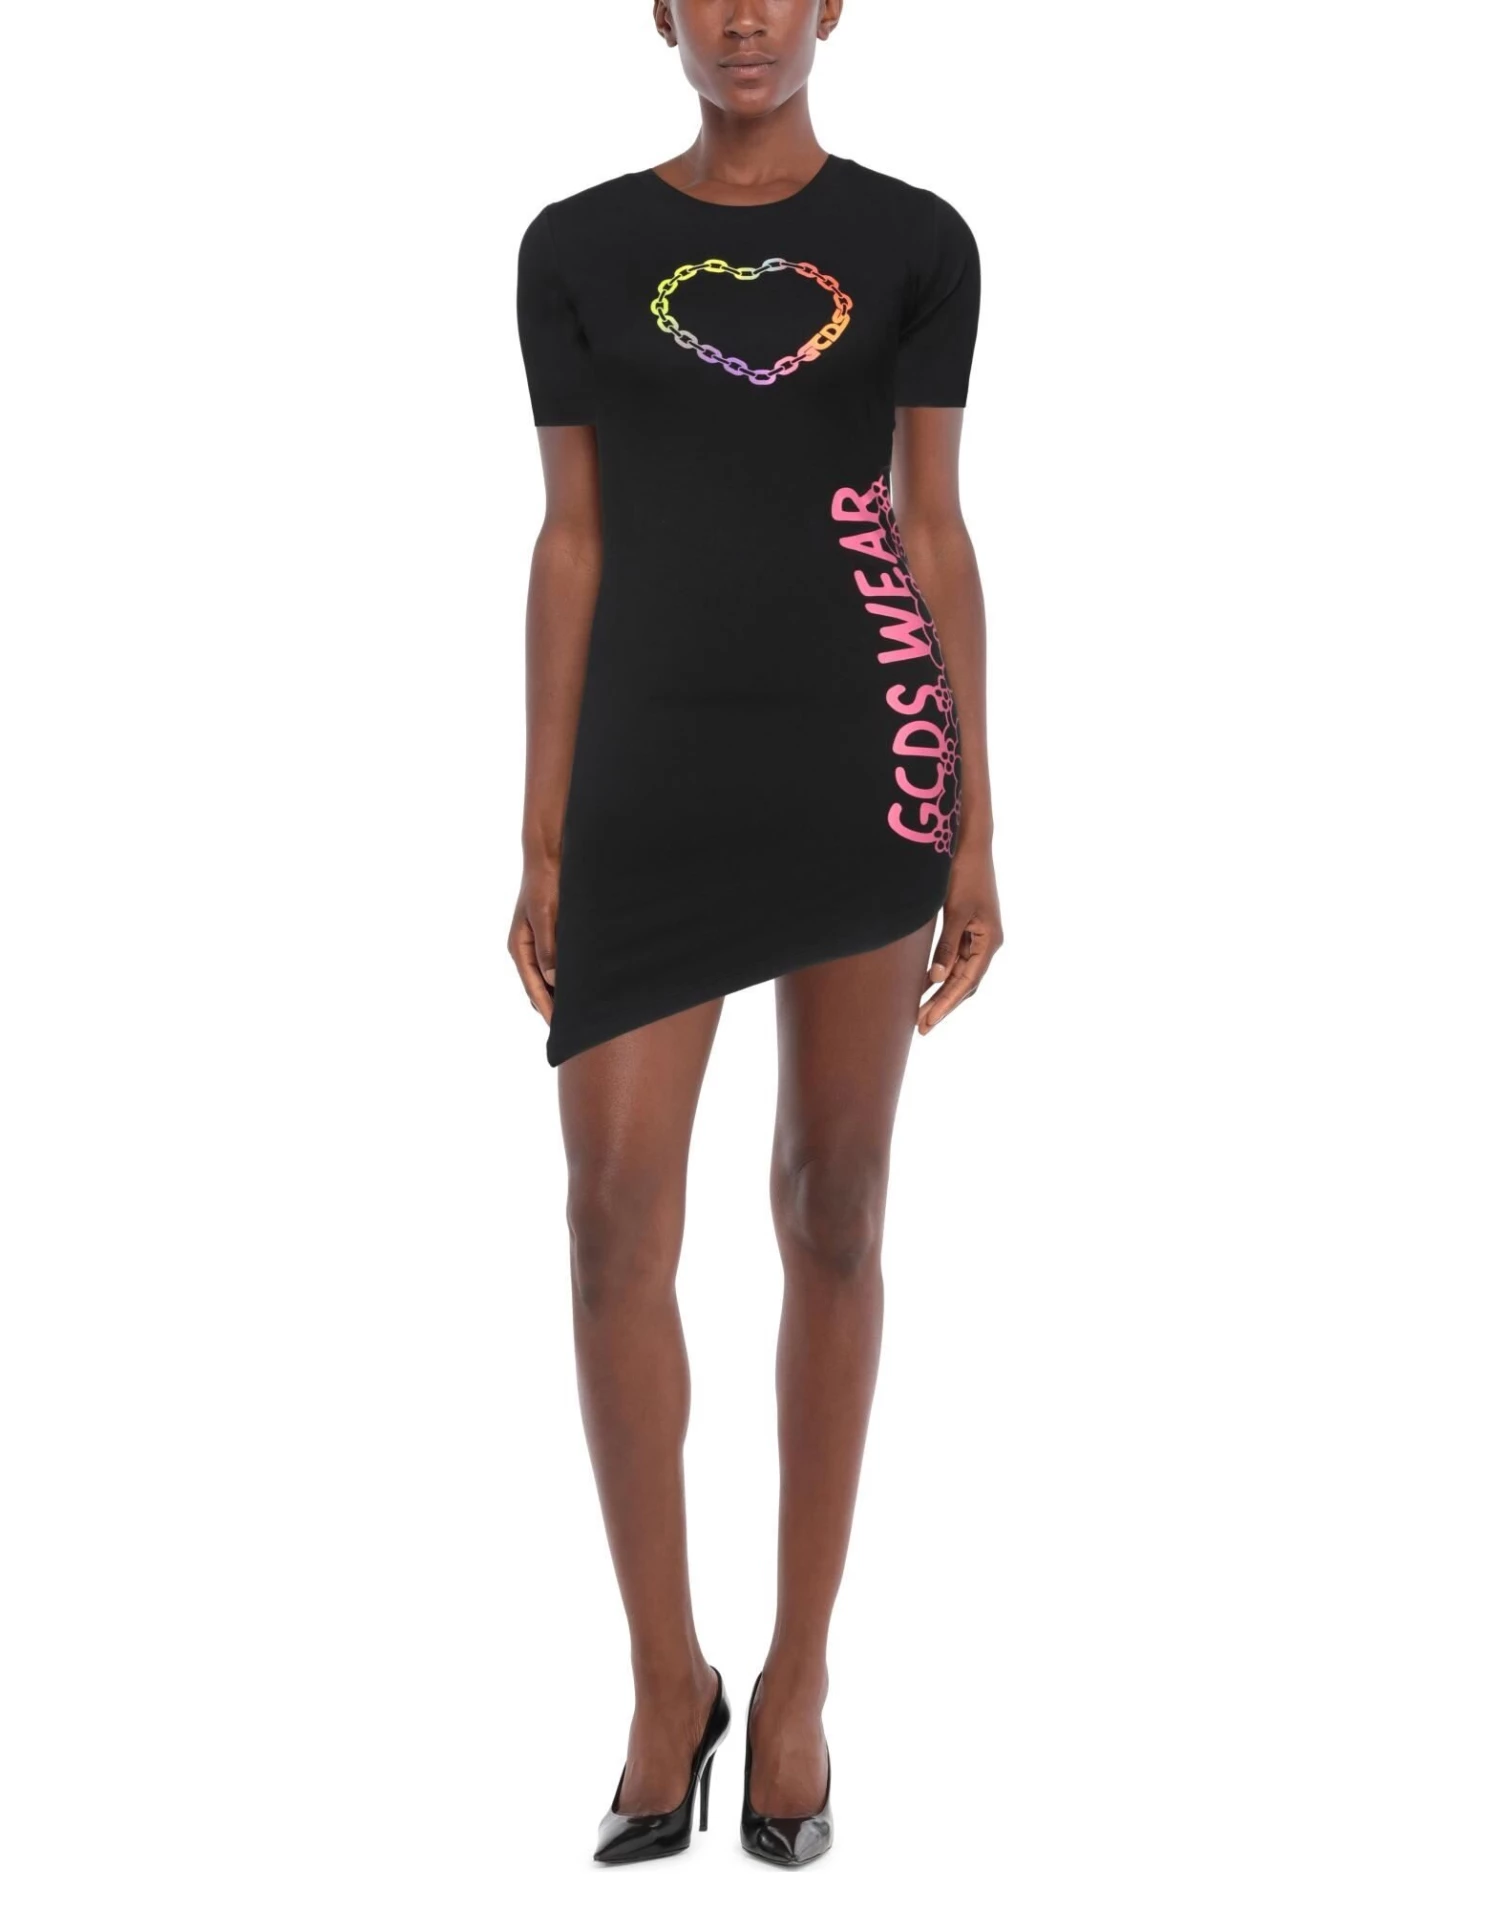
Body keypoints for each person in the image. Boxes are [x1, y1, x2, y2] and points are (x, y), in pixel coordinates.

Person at [511, 0, 1002, 1868]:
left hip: (858, 755)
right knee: (609, 1223)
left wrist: (973, 809)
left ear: (829, 8)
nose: (742, 17)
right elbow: (572, 536)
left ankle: (797, 1683)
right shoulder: (574, 247)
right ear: (657, 9)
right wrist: (544, 826)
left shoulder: (915, 239)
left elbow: (932, 525)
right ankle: (668, 1678)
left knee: (834, 1206)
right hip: (648, 774)